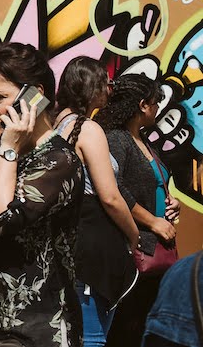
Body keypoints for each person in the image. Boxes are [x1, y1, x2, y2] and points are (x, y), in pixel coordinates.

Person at [0, 42, 85, 347]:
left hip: (37, 333)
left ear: (34, 96)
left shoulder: (57, 160)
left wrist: (9, 148)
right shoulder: (6, 152)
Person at [53, 57, 139, 346]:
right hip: (92, 250)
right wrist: (133, 234)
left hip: (64, 245)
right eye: (106, 82)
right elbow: (111, 197)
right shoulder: (88, 130)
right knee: (92, 338)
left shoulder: (53, 129)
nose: (111, 89)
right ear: (92, 86)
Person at [96, 73, 180, 347]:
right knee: (127, 329)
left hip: (156, 252)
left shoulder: (144, 142)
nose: (158, 108)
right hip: (133, 252)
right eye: (156, 102)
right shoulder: (117, 140)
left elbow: (154, 184)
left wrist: (171, 204)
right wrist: (153, 223)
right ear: (143, 105)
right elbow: (114, 188)